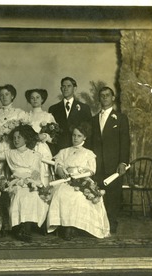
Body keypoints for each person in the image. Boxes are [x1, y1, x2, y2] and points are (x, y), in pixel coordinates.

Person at [47, 122, 110, 240]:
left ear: (84, 137)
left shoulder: (88, 153)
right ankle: (65, 225)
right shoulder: (64, 151)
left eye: (79, 136)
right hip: (65, 179)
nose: (75, 138)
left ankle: (73, 227)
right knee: (61, 193)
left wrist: (79, 174)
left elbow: (92, 170)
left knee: (77, 196)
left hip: (82, 179)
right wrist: (61, 170)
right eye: (74, 135)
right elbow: (58, 163)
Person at [0, 125, 49, 242]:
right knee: (20, 194)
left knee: (31, 195)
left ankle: (26, 228)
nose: (16, 140)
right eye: (14, 137)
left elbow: (35, 172)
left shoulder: (34, 154)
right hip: (15, 182)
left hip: (30, 181)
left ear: (26, 139)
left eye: (19, 137)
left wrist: (29, 181)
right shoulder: (10, 153)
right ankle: (21, 227)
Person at [91, 87, 130, 234]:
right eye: (102, 96)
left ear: (113, 98)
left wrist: (123, 162)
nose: (105, 97)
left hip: (114, 164)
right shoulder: (94, 119)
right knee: (99, 192)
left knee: (113, 195)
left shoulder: (120, 118)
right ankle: (99, 222)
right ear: (99, 99)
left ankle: (112, 222)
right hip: (98, 164)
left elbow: (125, 142)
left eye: (108, 95)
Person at [48, 77, 91, 153]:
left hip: (78, 149)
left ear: (75, 88)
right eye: (63, 86)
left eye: (69, 86)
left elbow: (88, 131)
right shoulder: (53, 109)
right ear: (61, 89)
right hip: (59, 149)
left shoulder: (84, 108)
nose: (65, 88)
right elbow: (51, 133)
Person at [25, 88, 57, 186]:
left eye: (37, 97)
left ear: (42, 99)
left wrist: (46, 136)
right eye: (32, 98)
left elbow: (54, 138)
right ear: (29, 100)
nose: (35, 100)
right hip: (29, 148)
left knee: (44, 174)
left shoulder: (48, 116)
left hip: (43, 149)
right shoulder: (26, 116)